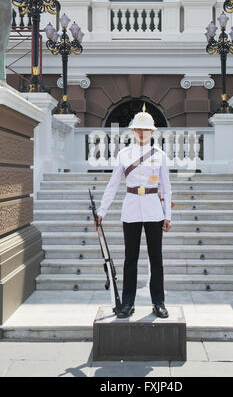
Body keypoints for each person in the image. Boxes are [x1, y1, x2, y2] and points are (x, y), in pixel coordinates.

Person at [94, 104, 172, 319]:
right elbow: (112, 184)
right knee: (131, 258)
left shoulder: (160, 155)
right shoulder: (124, 154)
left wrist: (167, 215)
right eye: (137, 129)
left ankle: (158, 302)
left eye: (145, 129)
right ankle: (128, 302)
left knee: (156, 258)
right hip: (131, 208)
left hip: (153, 210)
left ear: (152, 132)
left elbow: (166, 188)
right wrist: (102, 211)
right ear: (132, 131)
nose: (141, 132)